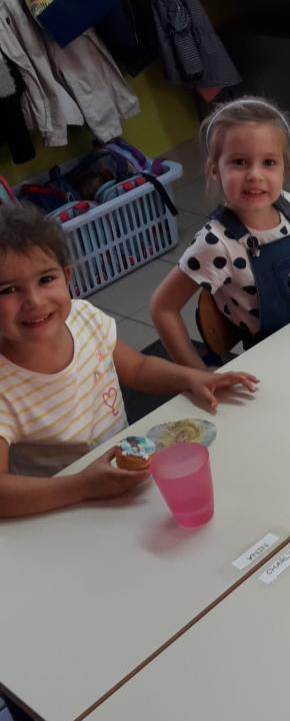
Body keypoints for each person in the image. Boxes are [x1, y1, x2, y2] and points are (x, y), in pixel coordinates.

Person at [0, 204, 257, 518]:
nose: (34, 301)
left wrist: (191, 377)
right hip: (60, 509)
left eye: (45, 279)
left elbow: (138, 368)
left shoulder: (84, 318)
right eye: (9, 290)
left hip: (126, 485)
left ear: (66, 276)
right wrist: (83, 486)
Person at [151, 98, 290, 368]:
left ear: (285, 168)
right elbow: (162, 308)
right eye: (239, 162)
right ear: (215, 170)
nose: (255, 174)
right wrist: (196, 375)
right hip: (277, 364)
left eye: (269, 162)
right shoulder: (216, 243)